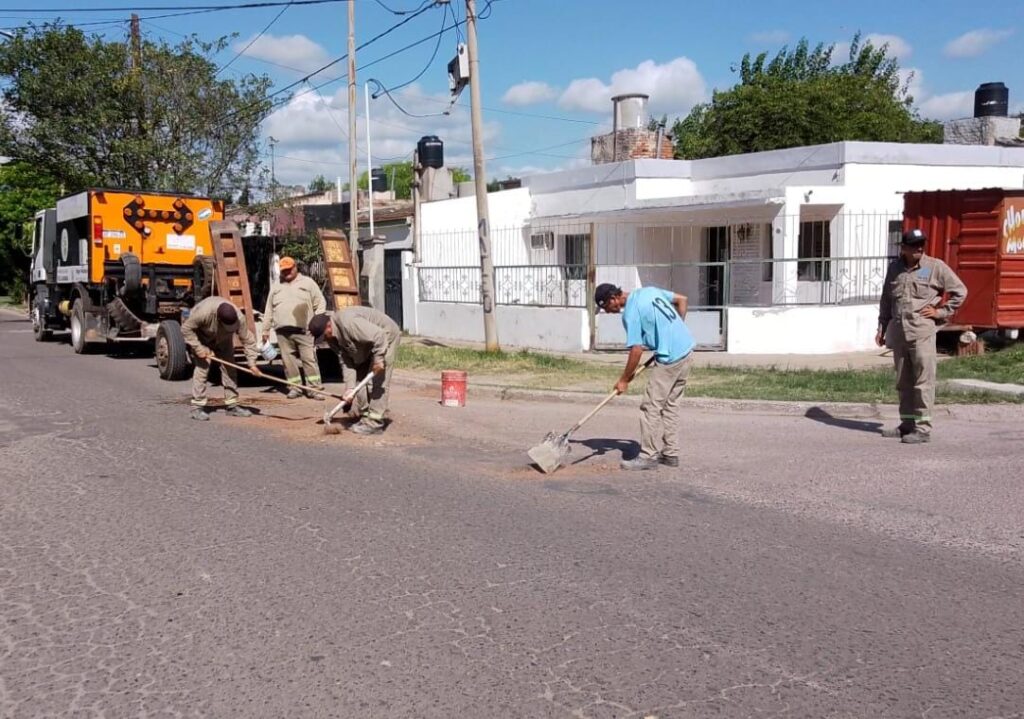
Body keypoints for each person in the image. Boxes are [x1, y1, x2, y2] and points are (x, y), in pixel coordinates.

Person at [876, 228, 967, 444]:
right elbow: (887, 300)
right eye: (914, 245)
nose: (919, 248)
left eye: (921, 244)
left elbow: (960, 291)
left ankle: (923, 428)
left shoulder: (935, 267)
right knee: (903, 381)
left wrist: (940, 312)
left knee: (922, 382)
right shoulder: (895, 269)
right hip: (899, 333)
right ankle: (907, 424)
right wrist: (882, 326)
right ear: (904, 248)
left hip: (922, 333)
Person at [594, 283, 695, 471]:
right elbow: (682, 300)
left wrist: (624, 380)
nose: (607, 312)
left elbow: (636, 350)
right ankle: (671, 453)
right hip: (687, 349)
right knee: (670, 405)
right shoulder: (649, 291)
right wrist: (672, 332)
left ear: (613, 299)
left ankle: (648, 456)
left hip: (671, 358)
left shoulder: (630, 312)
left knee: (650, 407)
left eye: (606, 307)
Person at [308, 307, 401, 436]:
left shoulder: (348, 323)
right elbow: (346, 361)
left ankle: (375, 422)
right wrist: (349, 389)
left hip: (386, 336)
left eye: (323, 336)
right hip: (366, 344)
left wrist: (379, 359)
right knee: (359, 379)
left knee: (379, 380)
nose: (324, 340)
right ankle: (365, 416)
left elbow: (379, 336)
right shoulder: (332, 338)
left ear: (329, 326)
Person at [182, 297, 261, 421]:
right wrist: (199, 348)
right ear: (218, 319)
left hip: (224, 340)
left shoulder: (239, 318)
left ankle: (232, 405)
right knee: (203, 369)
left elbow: (248, 340)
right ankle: (197, 406)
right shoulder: (203, 313)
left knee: (230, 369)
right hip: (202, 338)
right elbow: (186, 329)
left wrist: (252, 364)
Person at [262, 256, 327, 399]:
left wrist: (317, 323)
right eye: (283, 271)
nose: (286, 273)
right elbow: (269, 310)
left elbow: (320, 303)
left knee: (309, 360)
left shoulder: (308, 283)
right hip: (282, 332)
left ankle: (314, 389)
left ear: (295, 267)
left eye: (289, 270)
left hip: (305, 331)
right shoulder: (276, 287)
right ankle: (295, 388)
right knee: (288, 362)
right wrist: (265, 330)